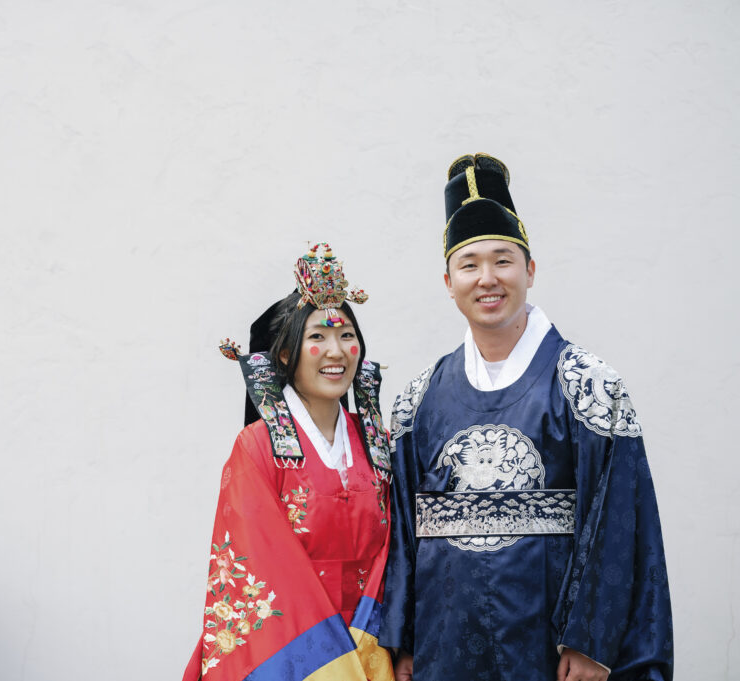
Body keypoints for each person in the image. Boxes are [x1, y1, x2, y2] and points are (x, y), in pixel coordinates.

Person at [378, 154, 673, 681]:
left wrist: (593, 642)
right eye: (469, 265)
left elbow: (622, 525)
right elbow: (401, 533)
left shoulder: (588, 385)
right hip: (444, 643)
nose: (487, 279)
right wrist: (401, 640)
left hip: (554, 648)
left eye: (503, 261)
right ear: (448, 281)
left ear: (530, 270)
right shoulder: (417, 400)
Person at [183, 243, 396, 680]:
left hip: (374, 644)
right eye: (317, 336)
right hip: (292, 654)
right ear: (285, 354)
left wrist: (371, 639)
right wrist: (332, 658)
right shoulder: (257, 447)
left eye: (347, 336)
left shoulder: (378, 442)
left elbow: (396, 551)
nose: (336, 351)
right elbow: (257, 561)